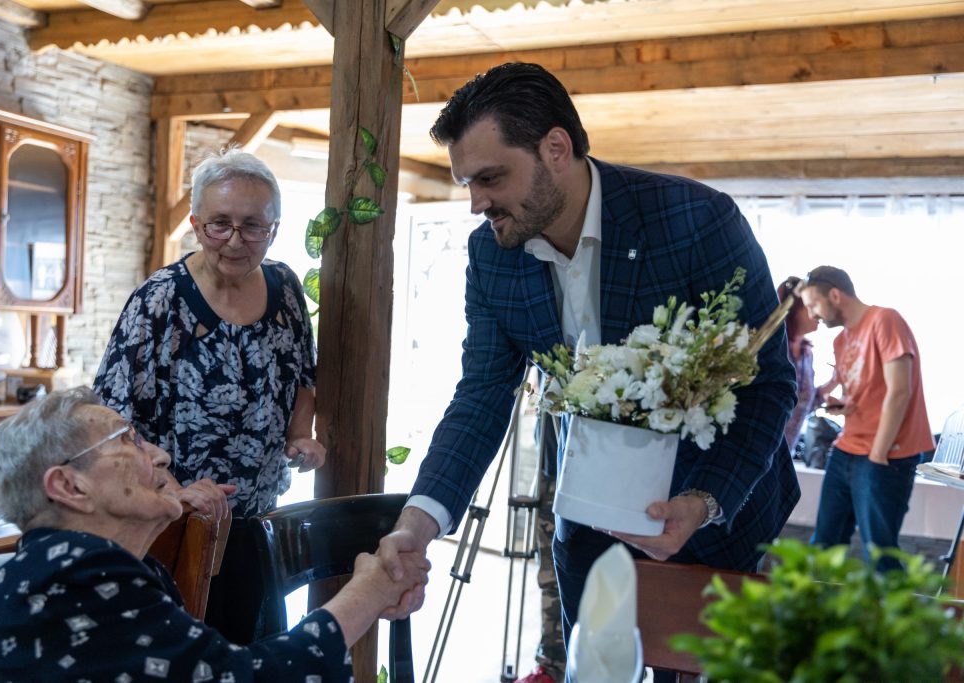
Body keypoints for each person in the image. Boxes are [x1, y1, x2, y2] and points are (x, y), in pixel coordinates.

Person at [377, 62, 799, 676]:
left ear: (555, 148)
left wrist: (702, 502)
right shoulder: (492, 254)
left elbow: (768, 386)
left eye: (490, 178)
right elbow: (482, 396)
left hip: (717, 518)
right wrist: (418, 525)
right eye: (467, 183)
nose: (476, 203)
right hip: (587, 528)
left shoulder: (695, 220)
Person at [0, 387, 425, 683]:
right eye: (127, 440)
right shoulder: (75, 579)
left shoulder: (78, 570)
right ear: (70, 486)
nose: (160, 456)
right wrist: (370, 590)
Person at [94, 147, 324, 520]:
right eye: (219, 224)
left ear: (274, 230)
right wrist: (175, 493)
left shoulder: (284, 286)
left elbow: (301, 375)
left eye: (253, 225)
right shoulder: (158, 299)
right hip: (175, 516)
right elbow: (112, 420)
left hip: (261, 512)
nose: (235, 240)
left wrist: (300, 436)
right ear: (196, 225)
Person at [797, 265, 933, 571]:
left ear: (835, 295)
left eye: (814, 305)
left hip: (885, 455)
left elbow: (900, 391)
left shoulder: (885, 320)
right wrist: (843, 405)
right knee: (823, 546)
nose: (812, 315)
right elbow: (863, 395)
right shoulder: (841, 341)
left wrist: (878, 453)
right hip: (846, 450)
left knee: (880, 555)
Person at [777, 276, 821, 450]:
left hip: (788, 450)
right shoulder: (776, 348)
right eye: (811, 306)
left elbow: (804, 405)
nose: (817, 313)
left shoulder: (807, 354)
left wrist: (835, 381)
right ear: (793, 310)